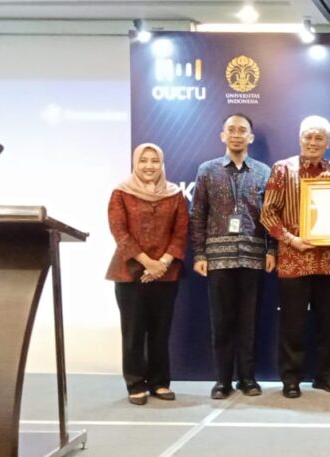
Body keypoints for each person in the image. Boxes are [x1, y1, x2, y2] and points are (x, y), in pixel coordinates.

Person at [190, 113, 275, 400]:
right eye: (231, 130)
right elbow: (198, 214)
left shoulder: (263, 172)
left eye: (242, 130)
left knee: (248, 322)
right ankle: (222, 380)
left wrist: (272, 249)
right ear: (222, 135)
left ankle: (247, 379)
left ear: (251, 137)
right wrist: (199, 253)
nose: (237, 134)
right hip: (217, 258)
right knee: (222, 321)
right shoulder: (207, 170)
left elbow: (271, 216)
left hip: (253, 256)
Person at [260, 115, 330, 399]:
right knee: (293, 325)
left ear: (327, 143)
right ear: (300, 139)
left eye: (319, 138)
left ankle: (326, 377)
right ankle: (291, 379)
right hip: (293, 259)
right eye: (308, 137)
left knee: (328, 324)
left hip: (327, 261)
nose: (312, 142)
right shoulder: (282, 169)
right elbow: (268, 214)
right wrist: (291, 240)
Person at [106, 143, 188, 405]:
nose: (149, 166)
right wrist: (147, 263)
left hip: (166, 273)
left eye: (154, 161)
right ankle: (135, 383)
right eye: (144, 160)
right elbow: (120, 232)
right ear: (135, 163)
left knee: (160, 332)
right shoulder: (121, 193)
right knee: (133, 332)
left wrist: (162, 263)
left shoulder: (174, 194)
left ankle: (160, 382)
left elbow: (181, 232)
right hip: (130, 273)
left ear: (161, 164)